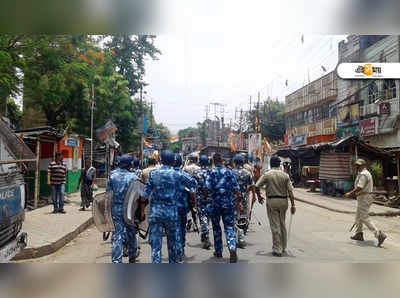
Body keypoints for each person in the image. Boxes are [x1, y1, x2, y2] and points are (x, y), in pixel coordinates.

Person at [141, 150, 194, 263]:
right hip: (171, 214)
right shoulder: (178, 174)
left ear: (161, 160)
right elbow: (194, 183)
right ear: (173, 161)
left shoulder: (153, 174)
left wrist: (141, 211)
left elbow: (145, 195)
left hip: (155, 213)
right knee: (173, 246)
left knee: (156, 247)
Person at [255, 156, 296, 257]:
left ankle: (277, 249)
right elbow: (290, 191)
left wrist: (259, 197)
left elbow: (257, 186)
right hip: (284, 201)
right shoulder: (285, 175)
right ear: (279, 164)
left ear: (271, 164)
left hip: (272, 201)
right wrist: (293, 205)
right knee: (282, 224)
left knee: (275, 225)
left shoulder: (267, 174)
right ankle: (283, 246)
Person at [204, 153, 241, 263]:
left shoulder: (211, 172)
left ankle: (218, 251)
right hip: (228, 204)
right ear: (222, 161)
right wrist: (238, 201)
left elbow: (206, 188)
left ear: (214, 161)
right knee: (229, 227)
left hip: (215, 204)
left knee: (216, 228)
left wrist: (206, 198)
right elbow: (237, 189)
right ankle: (232, 247)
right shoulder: (229, 172)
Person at [345, 159, 387, 246]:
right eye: (356, 165)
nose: (357, 167)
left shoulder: (364, 174)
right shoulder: (362, 173)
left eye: (359, 165)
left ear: (364, 165)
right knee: (358, 216)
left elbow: (360, 187)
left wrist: (350, 193)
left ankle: (379, 234)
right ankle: (359, 234)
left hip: (364, 197)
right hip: (363, 197)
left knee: (364, 217)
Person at [107, 154, 140, 263]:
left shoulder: (112, 176)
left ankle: (117, 261)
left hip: (116, 209)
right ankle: (132, 256)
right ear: (129, 165)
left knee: (117, 236)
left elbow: (108, 195)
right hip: (130, 209)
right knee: (131, 233)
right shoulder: (134, 177)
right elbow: (137, 196)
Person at [173, 153, 197, 262]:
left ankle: (174, 250)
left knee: (172, 230)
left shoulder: (164, 174)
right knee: (181, 229)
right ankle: (180, 249)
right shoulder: (184, 175)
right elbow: (193, 186)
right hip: (182, 207)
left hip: (168, 208)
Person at [232, 154, 255, 248]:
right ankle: (241, 239)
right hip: (244, 199)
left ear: (234, 162)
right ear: (242, 162)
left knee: (233, 218)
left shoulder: (231, 172)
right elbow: (252, 186)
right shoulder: (247, 173)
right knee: (242, 217)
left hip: (233, 199)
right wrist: (249, 194)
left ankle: (234, 238)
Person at [193, 155, 212, 249]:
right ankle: (205, 234)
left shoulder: (196, 173)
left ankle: (206, 236)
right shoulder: (211, 172)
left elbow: (192, 187)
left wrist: (193, 201)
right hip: (210, 198)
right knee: (207, 217)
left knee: (202, 217)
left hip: (200, 198)